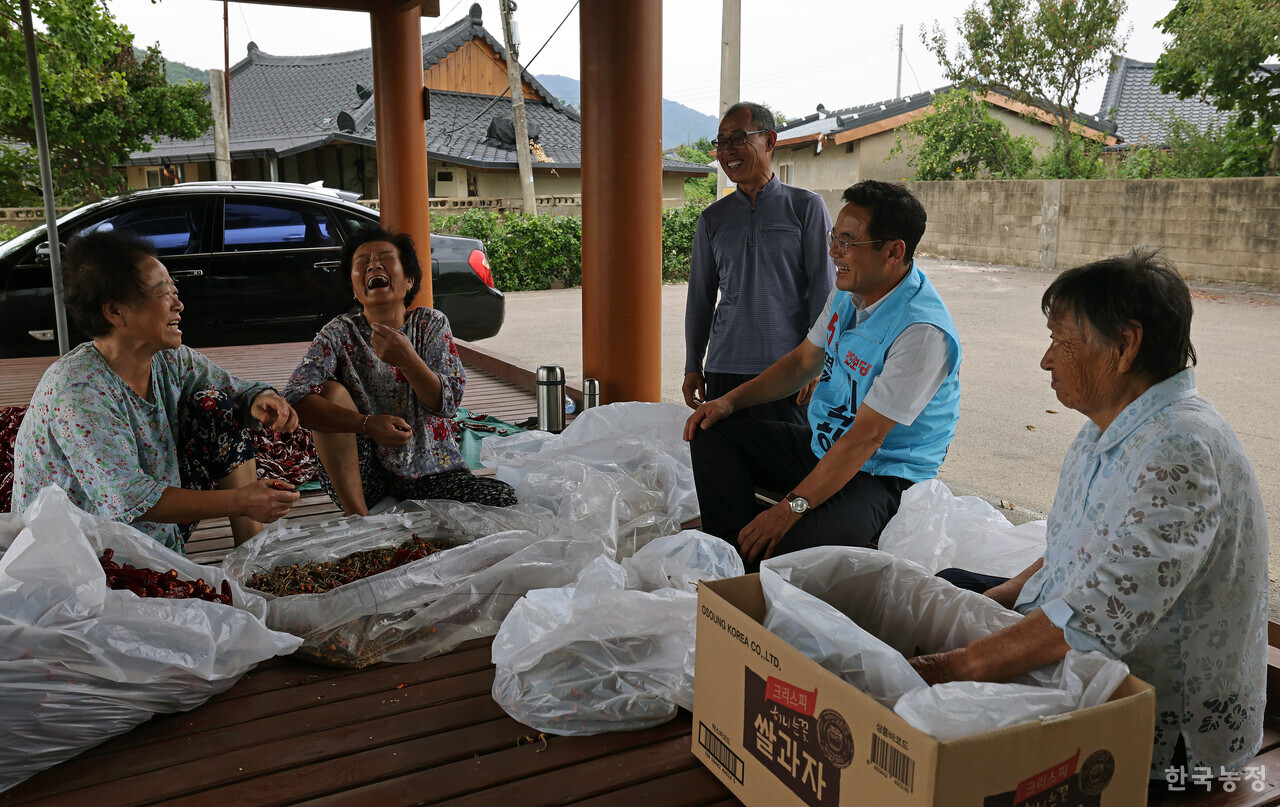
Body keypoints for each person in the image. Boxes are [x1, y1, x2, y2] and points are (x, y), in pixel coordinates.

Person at [910, 248, 1268, 783]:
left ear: (1124, 346)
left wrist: (950, 667)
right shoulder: (1108, 425)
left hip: (1156, 727)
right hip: (1076, 633)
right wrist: (988, 603)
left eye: (1062, 342)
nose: (1046, 359)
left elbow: (1097, 619)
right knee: (945, 590)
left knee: (935, 698)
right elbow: (1069, 548)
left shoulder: (1181, 451)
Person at [684, 180, 961, 566]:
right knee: (712, 430)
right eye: (835, 237)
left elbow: (867, 438)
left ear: (894, 252)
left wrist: (789, 509)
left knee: (788, 556)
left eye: (848, 241)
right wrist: (728, 401)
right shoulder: (850, 293)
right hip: (825, 448)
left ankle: (751, 557)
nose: (833, 252)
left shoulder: (922, 331)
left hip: (884, 476)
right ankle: (732, 553)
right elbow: (802, 363)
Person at [11, 230, 301, 552]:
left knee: (216, 406)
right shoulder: (77, 392)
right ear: (115, 312)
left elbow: (236, 390)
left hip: (150, 529)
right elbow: (130, 499)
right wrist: (240, 500)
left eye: (175, 291)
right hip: (80, 555)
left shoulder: (168, 360)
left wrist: (262, 398)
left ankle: (252, 555)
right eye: (164, 293)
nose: (178, 304)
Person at [284, 225, 516, 516]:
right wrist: (367, 425)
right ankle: (361, 521)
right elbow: (294, 399)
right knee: (330, 392)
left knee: (504, 499)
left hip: (434, 474)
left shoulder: (430, 324)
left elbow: (448, 403)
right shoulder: (338, 333)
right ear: (355, 288)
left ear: (408, 280)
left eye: (385, 257)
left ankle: (406, 517)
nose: (373, 265)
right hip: (366, 479)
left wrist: (407, 359)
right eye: (362, 262)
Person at [683, 101, 835, 426]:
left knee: (788, 470)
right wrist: (692, 364)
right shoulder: (712, 219)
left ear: (769, 140)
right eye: (721, 142)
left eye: (737, 138)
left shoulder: (806, 207)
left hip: (788, 371)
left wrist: (816, 362)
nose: (727, 150)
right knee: (727, 468)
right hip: (724, 368)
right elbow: (700, 298)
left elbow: (825, 291)